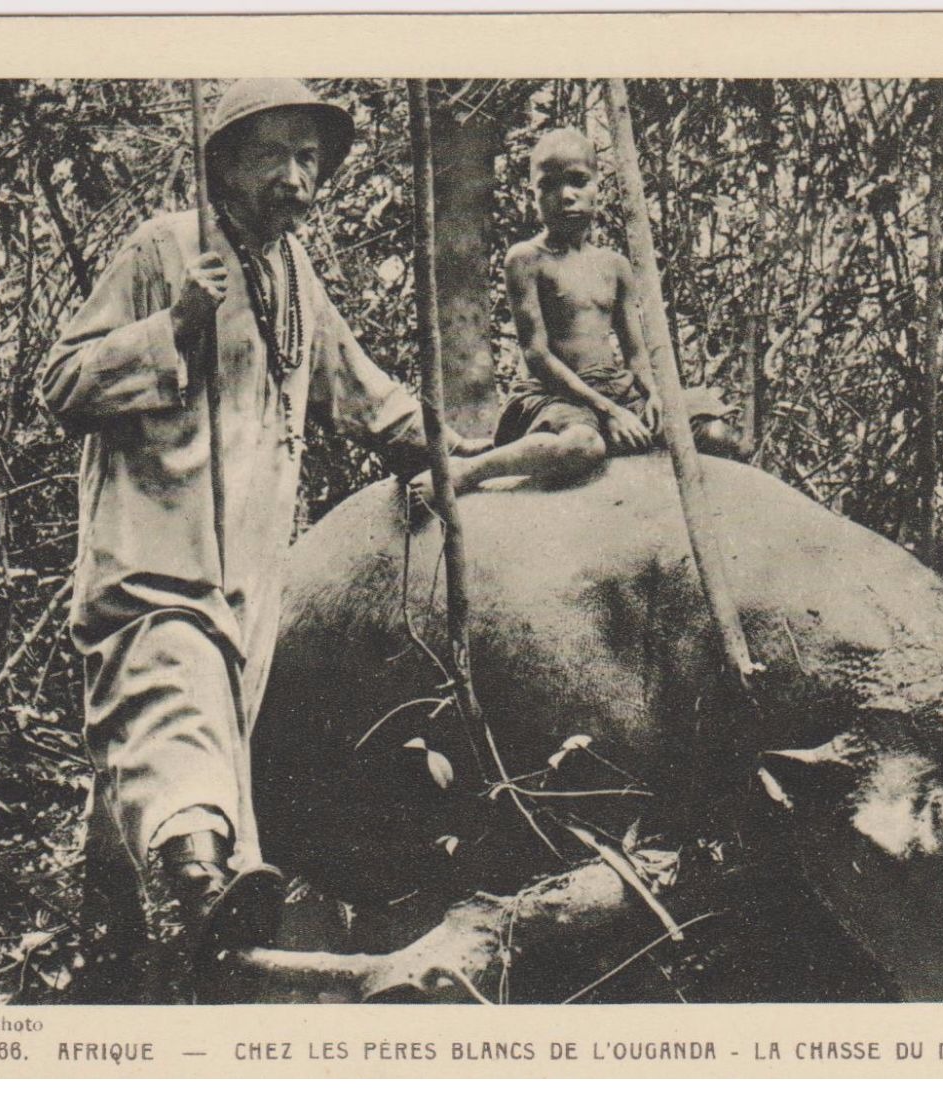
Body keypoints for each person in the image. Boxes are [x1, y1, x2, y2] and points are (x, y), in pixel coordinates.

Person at [40, 79, 481, 947]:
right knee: (173, 702)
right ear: (225, 165)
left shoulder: (290, 271)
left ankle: (130, 934)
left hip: (247, 559)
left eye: (309, 159)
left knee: (199, 735)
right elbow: (64, 384)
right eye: (273, 155)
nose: (295, 178)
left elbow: (351, 385)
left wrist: (435, 451)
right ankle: (205, 886)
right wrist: (174, 323)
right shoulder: (164, 248)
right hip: (154, 548)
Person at [409, 127, 734, 507]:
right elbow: (537, 356)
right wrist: (608, 411)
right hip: (553, 395)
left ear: (599, 186)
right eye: (549, 186)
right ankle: (468, 471)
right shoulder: (526, 259)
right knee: (583, 446)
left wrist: (654, 394)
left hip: (614, 387)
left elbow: (635, 353)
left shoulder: (614, 266)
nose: (566, 196)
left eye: (578, 181)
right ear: (534, 195)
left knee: (714, 431)